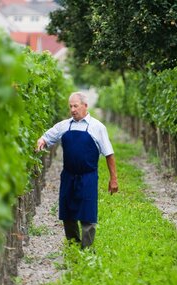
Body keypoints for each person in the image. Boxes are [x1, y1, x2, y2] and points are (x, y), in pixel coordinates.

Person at [36, 91, 118, 249]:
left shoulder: (97, 127)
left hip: (88, 176)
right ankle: (73, 245)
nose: (73, 109)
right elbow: (48, 136)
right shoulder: (64, 125)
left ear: (85, 106)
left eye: (76, 106)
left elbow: (109, 154)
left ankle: (86, 250)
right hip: (68, 176)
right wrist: (42, 140)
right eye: (71, 106)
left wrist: (113, 178)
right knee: (68, 212)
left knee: (88, 213)